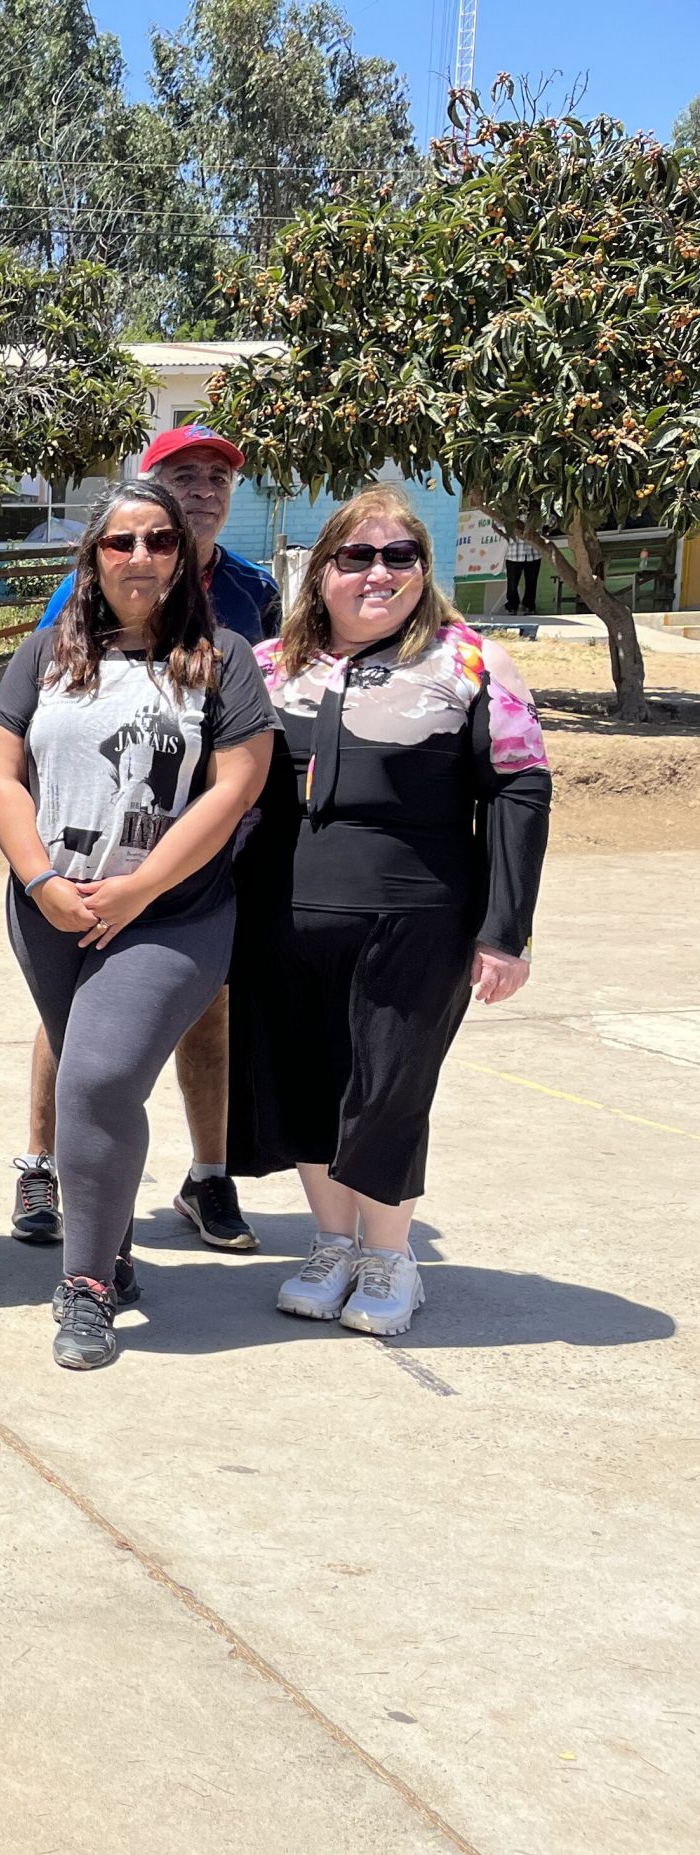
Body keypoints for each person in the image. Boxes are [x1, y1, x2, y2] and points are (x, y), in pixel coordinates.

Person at [235, 489, 549, 1335]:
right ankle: (333, 1244)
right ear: (321, 571)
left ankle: (390, 1258)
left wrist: (506, 931)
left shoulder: (472, 663)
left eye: (400, 556)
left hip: (417, 922)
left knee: (388, 1090)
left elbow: (520, 793)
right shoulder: (267, 667)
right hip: (282, 921)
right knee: (305, 1085)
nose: (379, 573)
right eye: (358, 556)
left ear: (423, 568)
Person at [0, 479, 275, 1372]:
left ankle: (86, 1286)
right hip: (50, 911)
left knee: (100, 1077)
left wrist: (141, 888)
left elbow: (236, 786)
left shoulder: (224, 657)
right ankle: (112, 1244)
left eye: (160, 540)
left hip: (171, 914)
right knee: (96, 1090)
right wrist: (40, 880)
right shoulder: (46, 654)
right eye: (121, 542)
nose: (141, 556)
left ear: (182, 555)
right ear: (94, 558)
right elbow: (3, 775)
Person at [503, 532, 543, 615]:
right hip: (513, 554)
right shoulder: (510, 522)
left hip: (533, 553)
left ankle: (529, 606)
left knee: (531, 583)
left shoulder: (534, 522)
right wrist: (505, 536)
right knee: (512, 585)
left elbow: (548, 524)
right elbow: (497, 526)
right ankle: (512, 606)